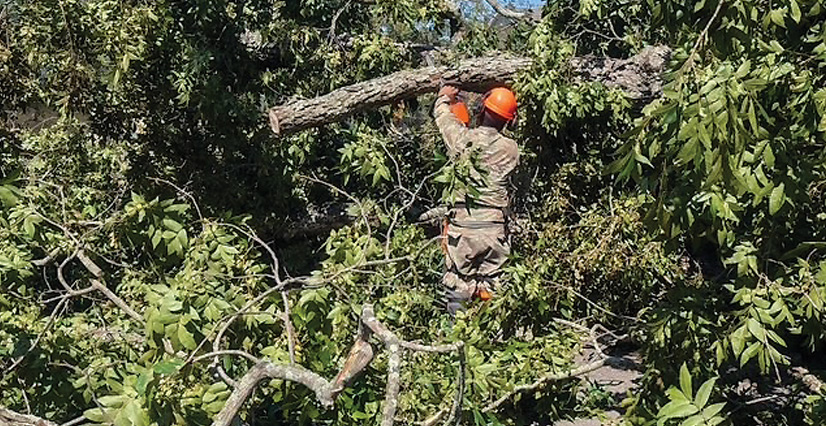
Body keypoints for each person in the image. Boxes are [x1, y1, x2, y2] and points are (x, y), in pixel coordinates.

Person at [433, 84, 519, 315]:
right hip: (494, 229)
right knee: (494, 286)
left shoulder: (463, 142)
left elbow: (444, 122)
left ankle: (457, 338)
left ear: (482, 108)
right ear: (509, 120)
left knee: (457, 286)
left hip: (464, 230)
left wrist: (444, 99)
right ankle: (491, 337)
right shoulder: (512, 149)